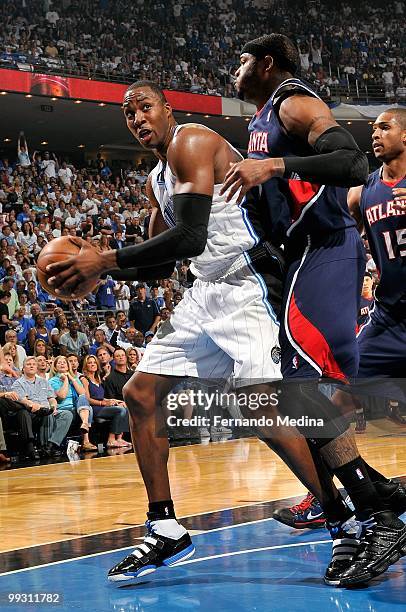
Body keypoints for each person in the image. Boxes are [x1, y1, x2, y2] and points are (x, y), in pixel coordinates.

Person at [46, 80, 351, 584]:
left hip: (248, 280)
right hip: (205, 290)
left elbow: (191, 236)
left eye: (144, 107)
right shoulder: (157, 179)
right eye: (127, 115)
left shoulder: (192, 140)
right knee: (140, 393)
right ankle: (164, 525)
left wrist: (104, 259)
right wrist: (98, 268)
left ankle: (342, 521)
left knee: (261, 410)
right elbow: (156, 268)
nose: (136, 119)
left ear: (168, 109)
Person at [220, 34, 406, 586]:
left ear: (268, 64)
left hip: (323, 249)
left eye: (244, 59)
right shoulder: (260, 120)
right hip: (302, 257)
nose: (236, 68)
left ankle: (375, 513)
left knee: (306, 391)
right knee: (307, 395)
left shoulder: (293, 102)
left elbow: (350, 161)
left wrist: (274, 166)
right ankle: (374, 491)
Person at [12, 356, 73, 458]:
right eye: (28, 364)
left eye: (34, 364)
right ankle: (43, 446)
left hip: (47, 409)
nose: (32, 366)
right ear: (23, 368)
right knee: (46, 413)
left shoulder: (44, 381)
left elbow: (52, 398)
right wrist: (41, 407)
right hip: (32, 413)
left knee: (67, 414)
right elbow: (23, 400)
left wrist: (54, 407)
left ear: (36, 367)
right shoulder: (18, 383)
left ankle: (51, 445)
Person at [81, 355, 130, 449]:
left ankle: (119, 438)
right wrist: (103, 403)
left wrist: (115, 401)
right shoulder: (84, 379)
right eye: (90, 363)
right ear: (85, 366)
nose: (92, 364)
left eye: (94, 362)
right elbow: (87, 399)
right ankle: (111, 440)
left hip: (102, 406)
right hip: (94, 408)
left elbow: (101, 397)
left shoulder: (97, 379)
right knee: (119, 411)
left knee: (124, 407)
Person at [49, 355, 96, 451]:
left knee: (83, 399)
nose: (62, 364)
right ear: (55, 367)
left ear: (68, 366)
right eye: (59, 362)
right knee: (88, 409)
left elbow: (83, 393)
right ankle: (86, 439)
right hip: (63, 408)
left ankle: (85, 424)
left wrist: (71, 378)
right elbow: (62, 396)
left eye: (64, 362)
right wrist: (66, 381)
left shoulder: (74, 379)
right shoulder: (52, 381)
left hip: (77, 408)